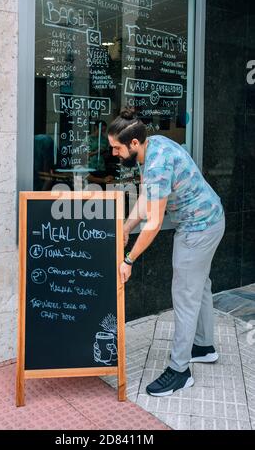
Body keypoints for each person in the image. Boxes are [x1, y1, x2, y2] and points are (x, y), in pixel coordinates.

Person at [107, 108, 225, 397]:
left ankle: (180, 371)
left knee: (185, 295)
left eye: (117, 148)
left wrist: (128, 259)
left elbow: (156, 222)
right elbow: (147, 196)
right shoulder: (153, 144)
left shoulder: (157, 163)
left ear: (134, 144)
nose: (114, 154)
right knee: (200, 286)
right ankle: (203, 346)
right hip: (212, 217)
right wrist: (126, 225)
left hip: (198, 228)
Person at [87, 120, 115, 187]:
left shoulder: (105, 140)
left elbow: (107, 155)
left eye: (104, 130)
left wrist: (106, 154)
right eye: (102, 130)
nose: (103, 132)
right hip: (91, 167)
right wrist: (97, 152)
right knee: (92, 187)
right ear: (96, 128)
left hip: (101, 167)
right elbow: (86, 154)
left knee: (102, 186)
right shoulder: (89, 139)